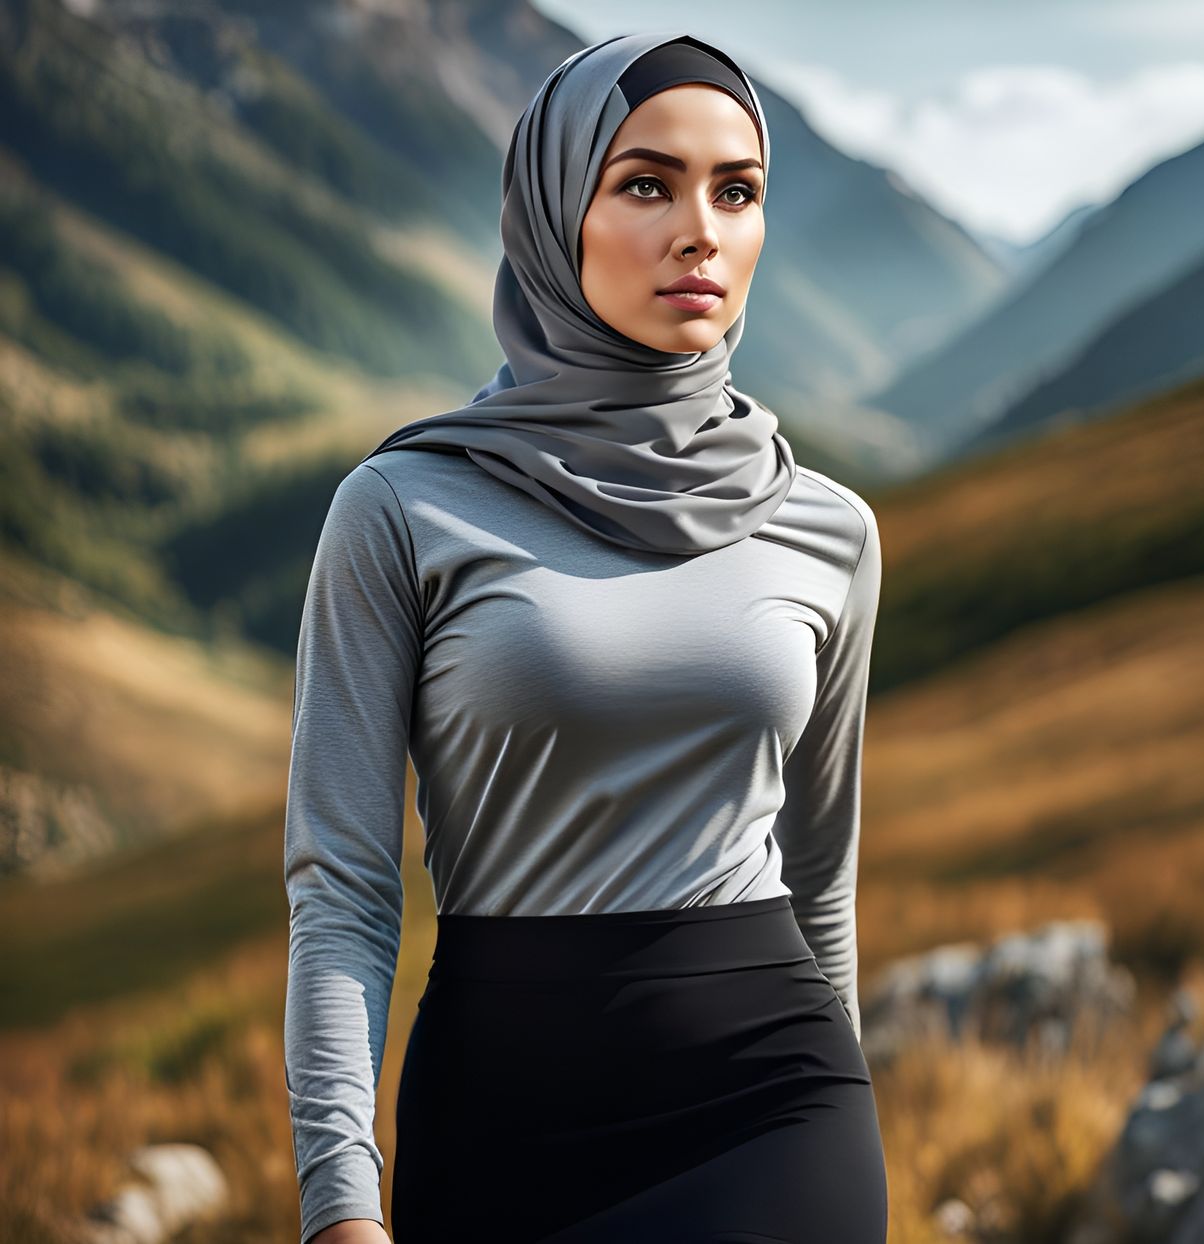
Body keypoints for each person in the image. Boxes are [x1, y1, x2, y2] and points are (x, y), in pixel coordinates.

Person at [281, 30, 888, 1244]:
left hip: (773, 1104)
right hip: (502, 1115)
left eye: (738, 190)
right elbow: (343, 887)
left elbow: (820, 873)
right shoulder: (405, 506)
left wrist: (850, 1094)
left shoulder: (830, 530)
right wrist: (339, 1196)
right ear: (556, 211)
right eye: (645, 183)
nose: (699, 230)